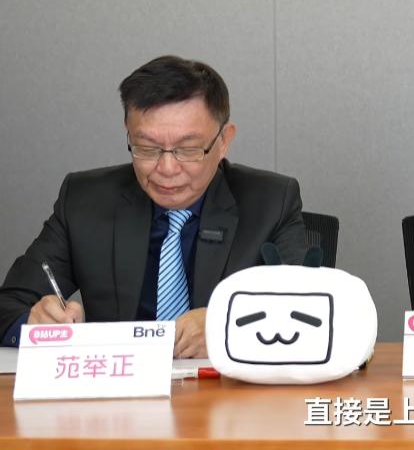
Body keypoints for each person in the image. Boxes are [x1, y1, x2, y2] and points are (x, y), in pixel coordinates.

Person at [0, 56, 308, 358]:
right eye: (147, 148)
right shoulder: (85, 201)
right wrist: (35, 324)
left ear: (223, 141)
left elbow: (311, 314)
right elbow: (8, 306)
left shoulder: (271, 202)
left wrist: (227, 327)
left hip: (225, 388)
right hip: (118, 385)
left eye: (188, 149)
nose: (167, 168)